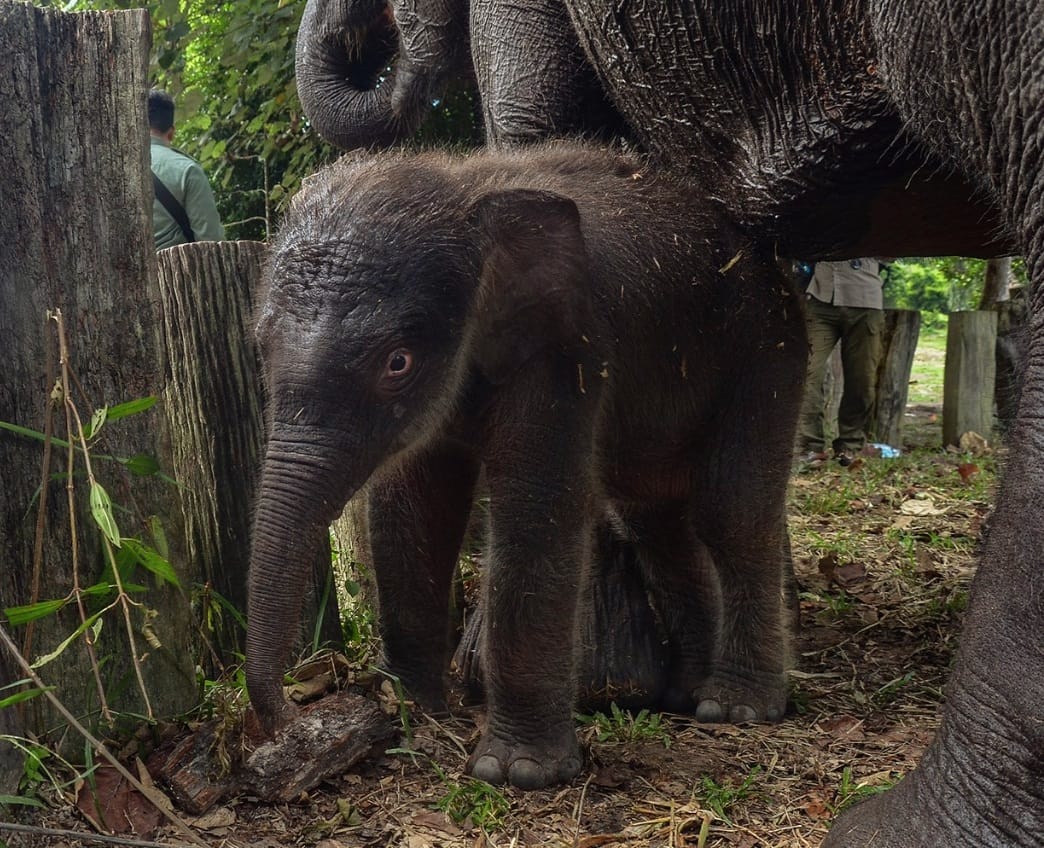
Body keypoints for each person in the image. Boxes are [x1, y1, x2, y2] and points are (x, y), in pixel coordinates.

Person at [796, 257, 890, 465]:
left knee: (862, 379)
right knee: (806, 373)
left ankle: (850, 445)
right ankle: (809, 446)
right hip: (820, 297)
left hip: (865, 298)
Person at [148, 89, 224, 250]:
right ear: (171, 133)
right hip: (174, 272)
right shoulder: (187, 170)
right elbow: (211, 243)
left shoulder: (108, 171)